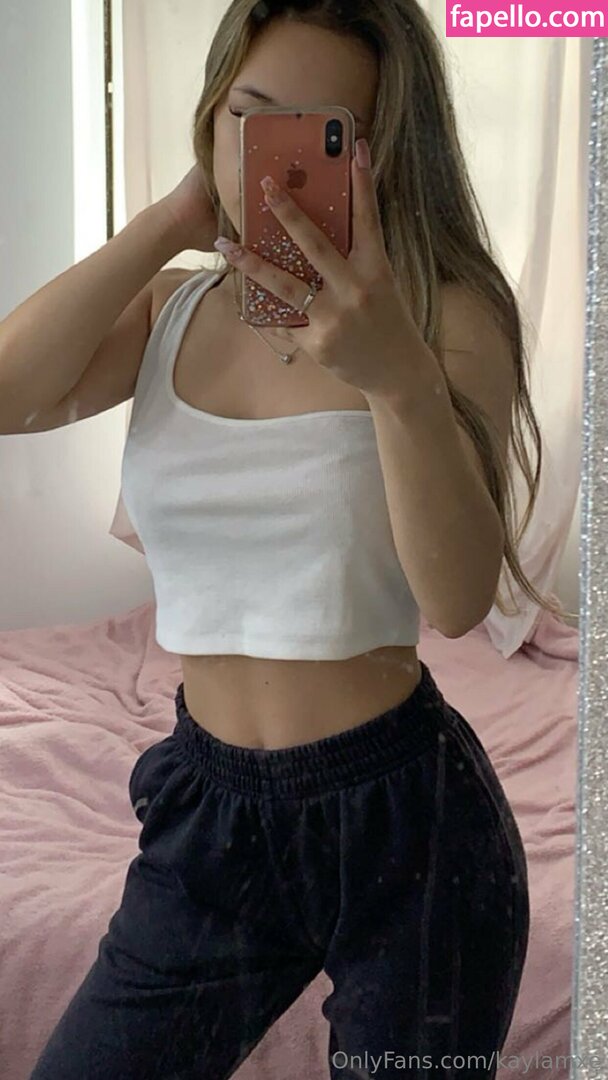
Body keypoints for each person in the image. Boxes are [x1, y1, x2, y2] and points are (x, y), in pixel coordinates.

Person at [2, 1, 564, 1076]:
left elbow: (455, 600)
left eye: (325, 133)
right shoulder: (170, 312)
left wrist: (394, 378)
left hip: (407, 825)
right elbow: (7, 392)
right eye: (253, 117)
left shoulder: (443, 319)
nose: (281, 162)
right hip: (206, 813)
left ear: (382, 155)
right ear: (213, 113)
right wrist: (172, 218)